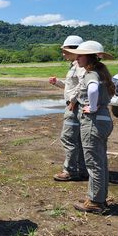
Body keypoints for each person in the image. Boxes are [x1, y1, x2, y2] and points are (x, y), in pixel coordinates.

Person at [63, 41, 115, 213]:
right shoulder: (100, 71)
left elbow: (92, 90)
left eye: (80, 55)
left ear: (90, 57)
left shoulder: (91, 73)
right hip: (103, 119)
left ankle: (95, 201)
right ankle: (98, 197)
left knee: (93, 163)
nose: (77, 58)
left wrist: (91, 107)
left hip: (93, 121)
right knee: (100, 161)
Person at [49, 35, 88, 181]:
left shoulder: (80, 66)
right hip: (75, 105)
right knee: (78, 140)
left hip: (74, 107)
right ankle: (82, 170)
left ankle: (70, 171)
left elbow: (83, 85)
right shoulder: (75, 65)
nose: (63, 53)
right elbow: (72, 86)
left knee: (68, 138)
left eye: (65, 50)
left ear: (74, 50)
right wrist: (58, 83)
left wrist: (72, 101)